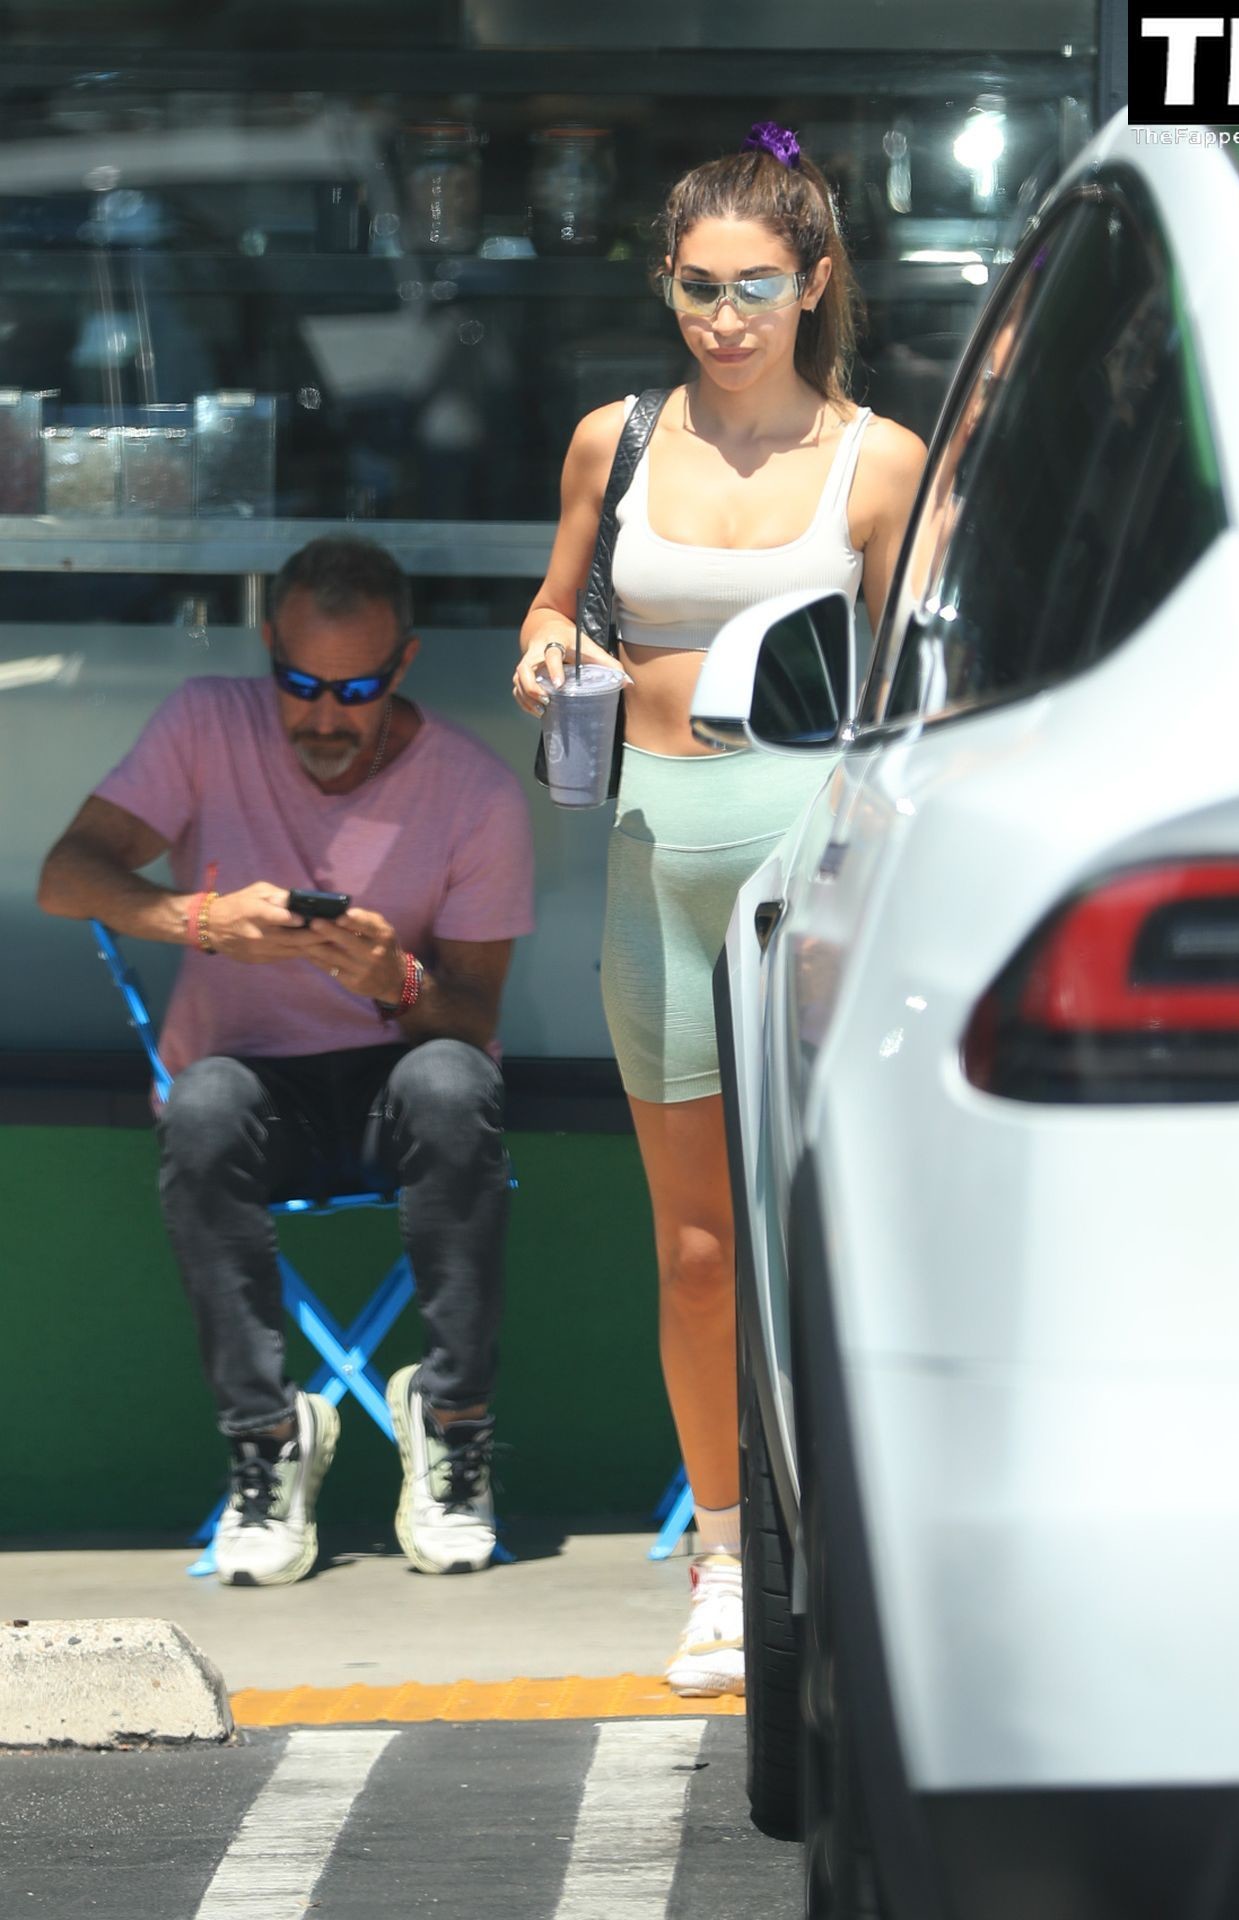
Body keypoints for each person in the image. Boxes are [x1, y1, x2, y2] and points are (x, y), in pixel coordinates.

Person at [514, 124, 927, 1694]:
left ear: (815, 283)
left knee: (836, 1235)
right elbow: (557, 600)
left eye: (756, 285)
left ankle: (870, 1551)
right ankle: (727, 1558)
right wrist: (550, 647)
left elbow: (927, 692)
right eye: (699, 287)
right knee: (695, 1251)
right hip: (655, 859)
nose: (726, 317)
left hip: (819, 869)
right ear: (667, 286)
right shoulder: (612, 440)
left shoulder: (880, 461)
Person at [38, 535, 534, 1586]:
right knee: (200, 1105)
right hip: (249, 1082)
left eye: (355, 690)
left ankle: (452, 1421)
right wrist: (199, 918)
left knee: (456, 1085)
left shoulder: (476, 793)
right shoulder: (206, 723)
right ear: (269, 652)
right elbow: (66, 875)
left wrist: (395, 979)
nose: (323, 718)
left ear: (402, 665)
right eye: (299, 685)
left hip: (396, 1088)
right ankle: (267, 1439)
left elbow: (473, 1013)